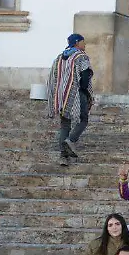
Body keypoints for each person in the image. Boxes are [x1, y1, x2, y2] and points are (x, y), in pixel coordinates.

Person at [46, 33, 93, 167]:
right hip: (77, 94)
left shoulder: (60, 57)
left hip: (62, 95)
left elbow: (53, 76)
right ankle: (71, 140)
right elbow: (85, 76)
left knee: (65, 124)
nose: (85, 45)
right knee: (83, 120)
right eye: (83, 42)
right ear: (77, 42)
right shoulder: (81, 56)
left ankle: (63, 156)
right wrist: (84, 90)